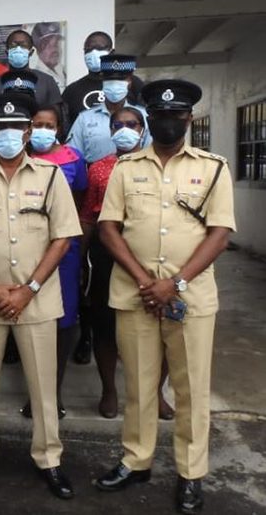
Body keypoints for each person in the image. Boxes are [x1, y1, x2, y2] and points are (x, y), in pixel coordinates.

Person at [95, 80, 236, 515]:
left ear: (188, 119)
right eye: (159, 115)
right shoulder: (125, 168)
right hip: (136, 294)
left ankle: (190, 474)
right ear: (148, 118)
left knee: (190, 388)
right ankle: (136, 461)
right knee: (138, 385)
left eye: (176, 115)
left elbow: (220, 233)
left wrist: (173, 284)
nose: (168, 121)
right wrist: (144, 281)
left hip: (189, 298)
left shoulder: (213, 168)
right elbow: (108, 228)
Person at [0, 93, 81, 500]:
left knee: (42, 386)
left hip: (36, 299)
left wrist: (29, 289)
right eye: (0, 128)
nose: (8, 135)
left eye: (16, 128)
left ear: (28, 131)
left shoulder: (51, 176)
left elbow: (63, 239)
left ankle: (49, 458)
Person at [80, 107, 175, 420]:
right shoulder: (98, 169)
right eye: (117, 125)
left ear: (143, 128)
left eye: (131, 124)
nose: (124, 129)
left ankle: (156, 393)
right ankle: (109, 389)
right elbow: (89, 218)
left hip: (152, 254)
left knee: (159, 324)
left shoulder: (159, 164)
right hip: (107, 255)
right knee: (105, 325)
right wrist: (81, 258)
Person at [22, 105, 87, 419]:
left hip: (64, 251)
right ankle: (32, 392)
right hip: (23, 249)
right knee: (29, 319)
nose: (41, 130)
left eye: (48, 125)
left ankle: (52, 393)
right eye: (36, 124)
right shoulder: (18, 157)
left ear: (59, 128)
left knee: (62, 321)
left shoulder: (73, 159)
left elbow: (79, 203)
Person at [67, 54, 151, 164]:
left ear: (129, 81)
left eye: (120, 79)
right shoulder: (85, 119)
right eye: (110, 79)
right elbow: (72, 156)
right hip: (95, 177)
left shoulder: (144, 116)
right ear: (102, 81)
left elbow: (150, 152)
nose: (115, 84)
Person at [61, 31, 145, 130]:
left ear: (111, 52)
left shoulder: (132, 83)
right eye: (88, 49)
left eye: (99, 48)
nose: (93, 52)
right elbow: (65, 125)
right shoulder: (72, 90)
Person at [0, 30, 62, 119]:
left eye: (23, 45)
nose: (18, 49)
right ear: (7, 52)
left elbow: (57, 118)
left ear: (31, 52)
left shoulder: (47, 82)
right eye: (14, 45)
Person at [30, 22, 66, 92]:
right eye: (48, 46)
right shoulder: (35, 78)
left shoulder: (62, 69)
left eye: (56, 44)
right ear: (38, 50)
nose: (54, 50)